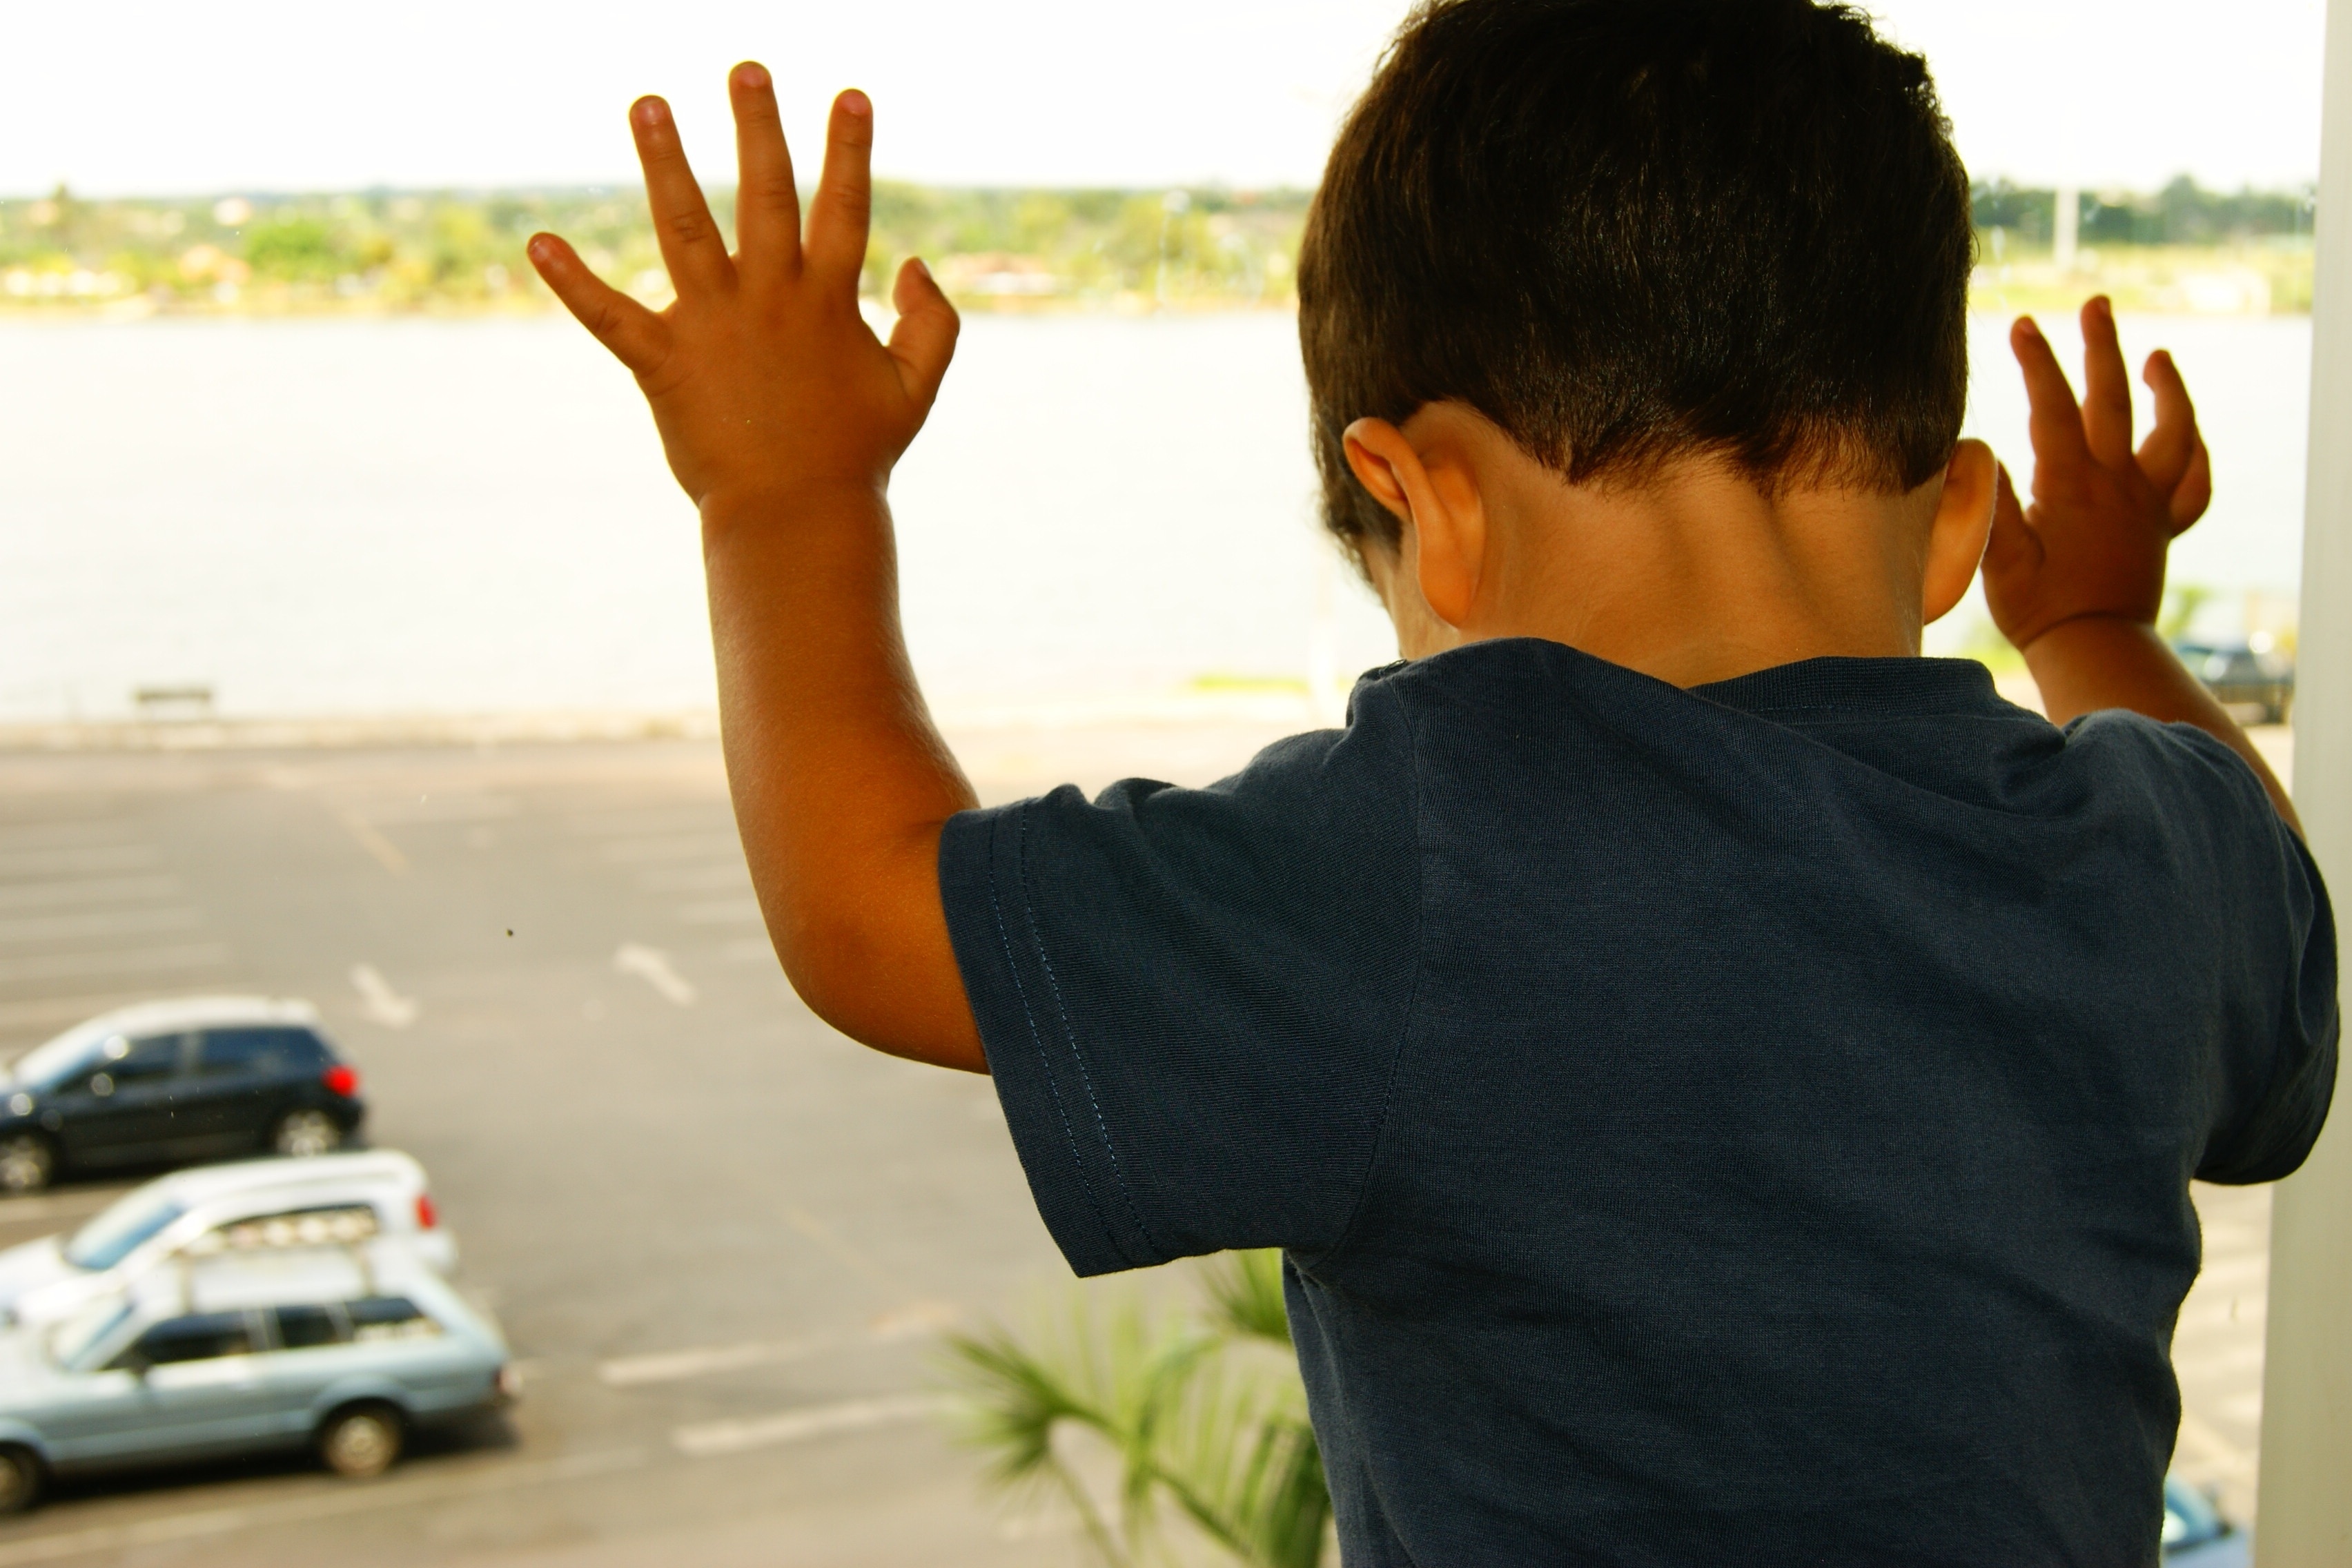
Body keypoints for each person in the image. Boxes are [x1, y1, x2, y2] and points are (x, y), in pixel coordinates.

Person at [526, 0, 2337, 1560]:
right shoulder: (2137, 858)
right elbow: (2277, 922)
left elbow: (866, 911)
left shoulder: (1434, 869)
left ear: (1436, 512)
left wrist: (785, 501)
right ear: (1954, 523)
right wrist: (2095, 616)